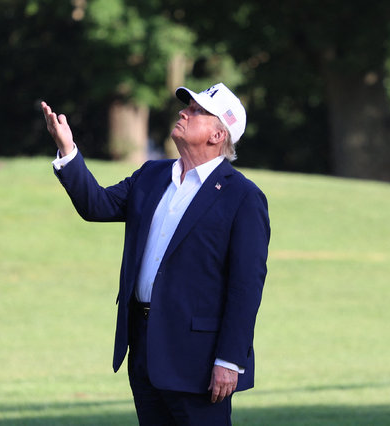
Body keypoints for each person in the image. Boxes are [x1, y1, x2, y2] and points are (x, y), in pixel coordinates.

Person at [42, 82, 270, 425]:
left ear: (217, 135)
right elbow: (97, 205)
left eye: (196, 111)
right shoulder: (152, 175)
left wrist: (230, 360)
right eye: (187, 107)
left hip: (201, 360)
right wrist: (68, 150)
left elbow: (246, 287)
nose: (183, 112)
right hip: (144, 346)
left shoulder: (243, 197)